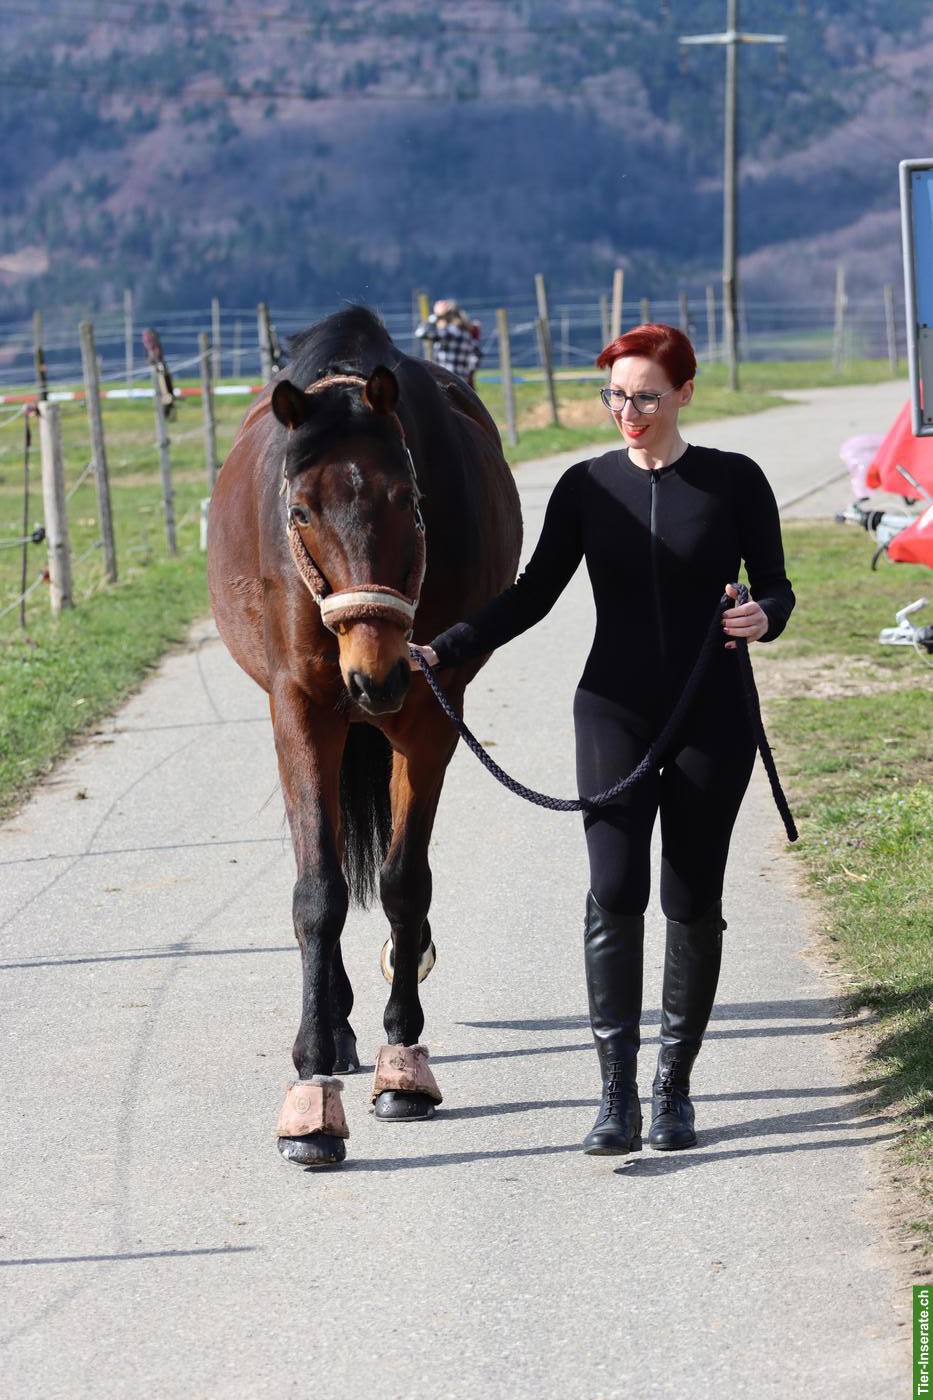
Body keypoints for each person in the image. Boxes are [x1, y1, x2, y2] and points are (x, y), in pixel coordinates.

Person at [410, 323, 795, 1156]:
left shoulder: (734, 482)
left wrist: (764, 615)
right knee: (615, 890)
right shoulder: (586, 488)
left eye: (646, 395)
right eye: (615, 394)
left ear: (684, 393)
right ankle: (615, 1095)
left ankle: (673, 1089)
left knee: (691, 898)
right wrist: (443, 647)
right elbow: (532, 594)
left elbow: (775, 584)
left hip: (710, 711)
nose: (628, 410)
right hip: (612, 712)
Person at [415, 299, 483, 388]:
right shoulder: (465, 333)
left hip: (444, 384)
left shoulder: (449, 333)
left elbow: (420, 333)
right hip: (462, 384)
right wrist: (467, 372)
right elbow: (477, 354)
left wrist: (435, 316)